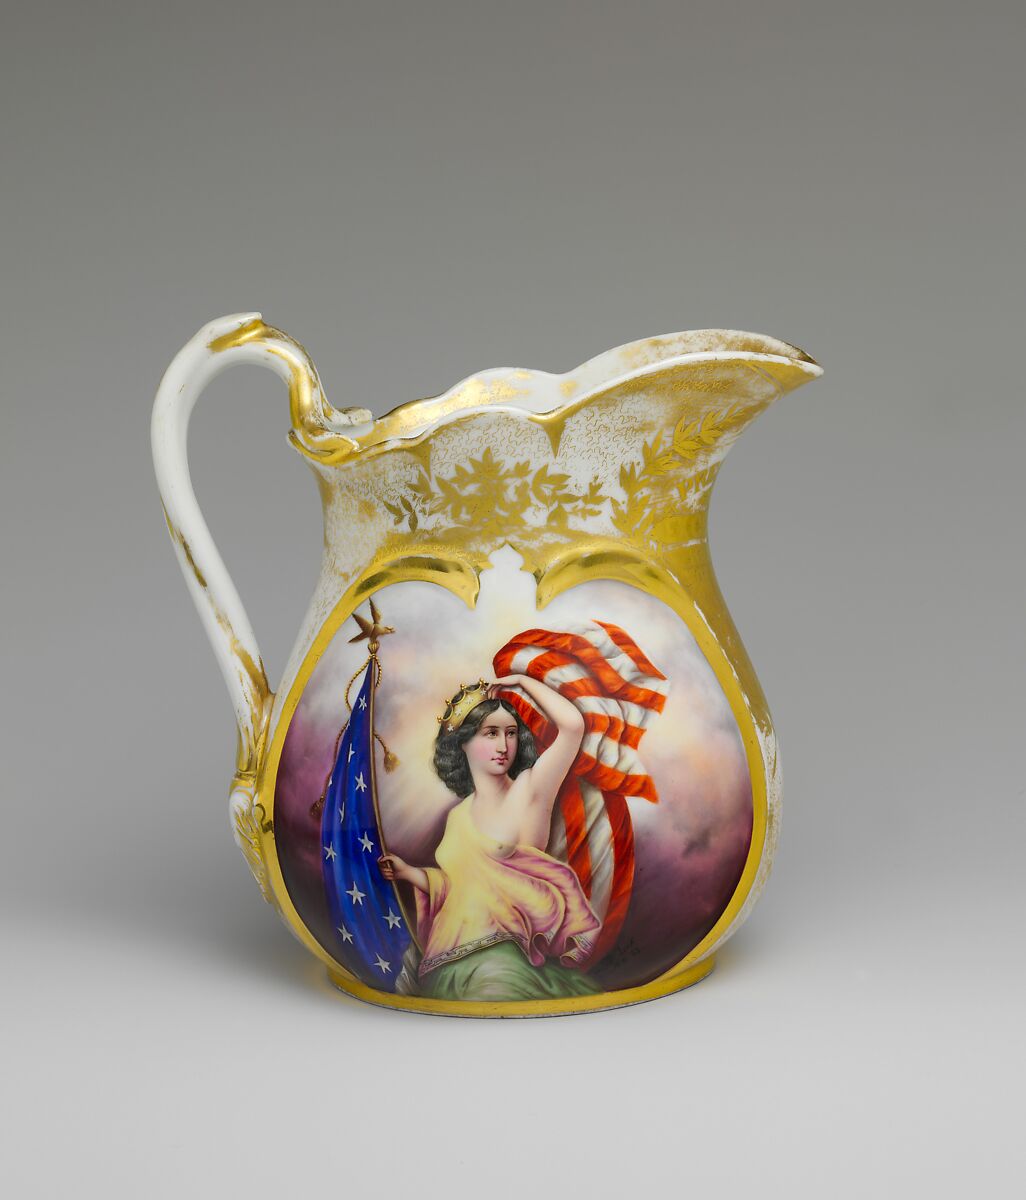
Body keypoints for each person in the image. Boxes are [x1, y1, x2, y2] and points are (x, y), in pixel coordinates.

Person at [378, 674, 602, 1002]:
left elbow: (572, 727)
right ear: (463, 742)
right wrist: (409, 874)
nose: (503, 746)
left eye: (511, 733)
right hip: (447, 960)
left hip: (501, 960)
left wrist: (523, 681)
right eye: (491, 733)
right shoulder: (458, 816)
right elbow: (458, 888)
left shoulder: (530, 789)